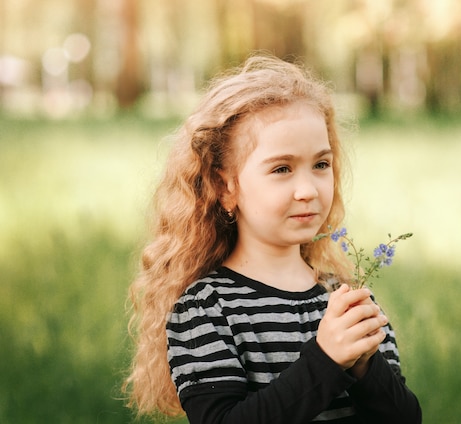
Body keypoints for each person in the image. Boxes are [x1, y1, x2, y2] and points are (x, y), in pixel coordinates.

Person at [124, 54, 421, 423]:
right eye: (282, 168)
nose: (308, 189)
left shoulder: (344, 298)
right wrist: (326, 359)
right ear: (224, 186)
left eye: (321, 165)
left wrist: (365, 365)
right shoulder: (207, 308)